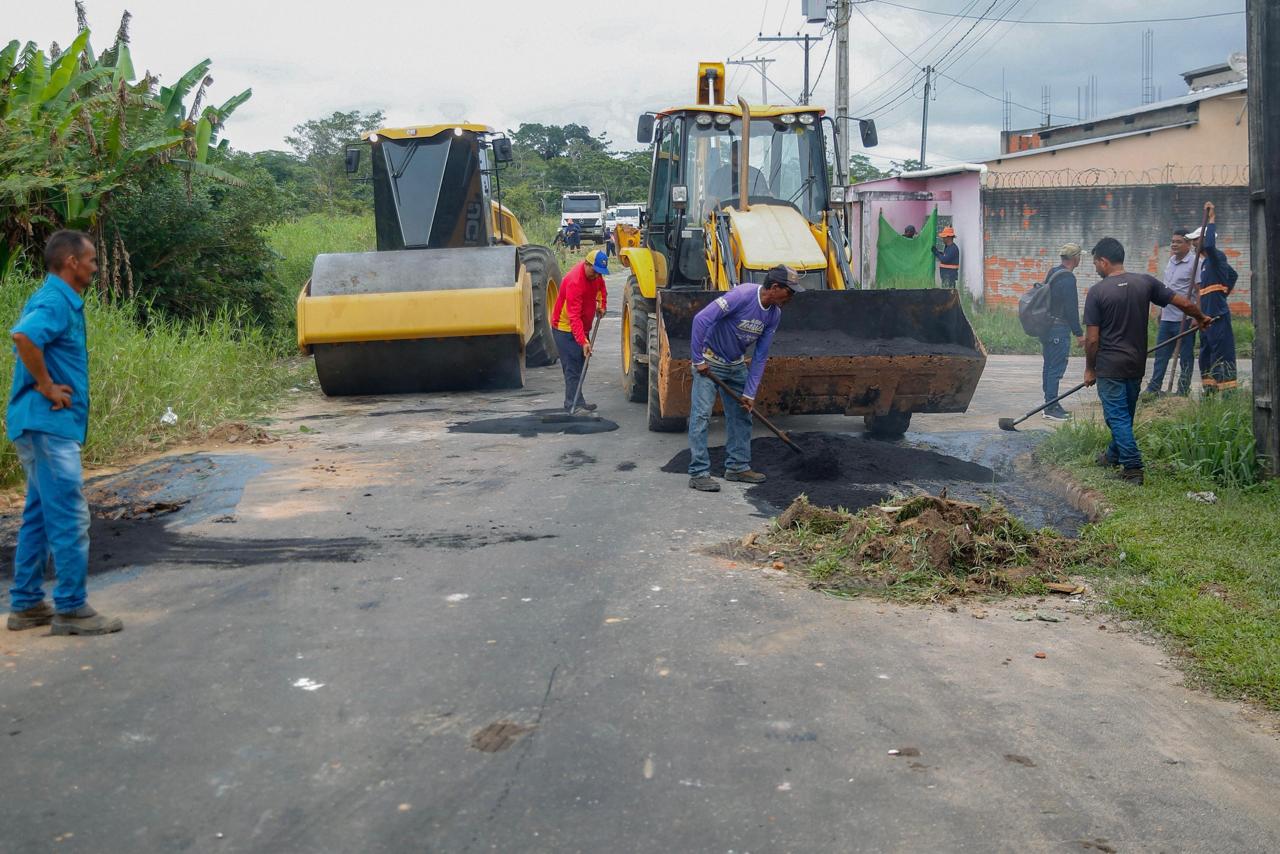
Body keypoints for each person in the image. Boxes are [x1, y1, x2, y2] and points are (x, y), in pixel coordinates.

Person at [7, 230, 122, 635]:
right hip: (47, 426)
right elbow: (24, 336)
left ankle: (26, 605)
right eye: (90, 259)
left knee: (39, 516)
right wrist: (45, 385)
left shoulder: (60, 300)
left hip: (42, 426)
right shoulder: (55, 299)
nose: (95, 265)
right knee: (70, 515)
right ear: (71, 262)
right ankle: (71, 609)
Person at [1082, 237, 1211, 485]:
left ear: (1104, 261)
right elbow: (1183, 302)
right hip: (1135, 364)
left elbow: (1092, 340)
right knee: (1125, 415)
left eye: (1096, 263)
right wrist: (1201, 317)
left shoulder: (1097, 292)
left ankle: (1133, 468)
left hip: (1110, 367)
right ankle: (1112, 455)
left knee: (1117, 418)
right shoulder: (1145, 282)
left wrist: (1090, 368)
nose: (1096, 268)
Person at [687, 265, 802, 492]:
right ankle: (699, 472)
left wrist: (750, 392)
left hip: (736, 365)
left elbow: (760, 356)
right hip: (710, 362)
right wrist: (697, 359)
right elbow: (701, 319)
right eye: (790, 291)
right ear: (775, 287)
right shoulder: (742, 295)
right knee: (701, 416)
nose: (792, 296)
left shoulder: (774, 314)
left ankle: (737, 467)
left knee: (742, 414)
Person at [1188, 202, 1238, 392]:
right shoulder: (1206, 264)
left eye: (1196, 240)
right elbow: (1232, 275)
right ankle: (1209, 392)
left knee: (1222, 355)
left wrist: (1211, 219)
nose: (1193, 244)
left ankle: (1228, 394)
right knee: (1206, 355)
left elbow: (1209, 244)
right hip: (1206, 317)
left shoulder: (1216, 256)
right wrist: (1223, 291)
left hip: (1217, 315)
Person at [550, 249, 609, 412]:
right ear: (587, 264)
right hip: (565, 328)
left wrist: (602, 305)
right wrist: (583, 341)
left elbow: (601, 289)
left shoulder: (596, 276)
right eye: (595, 271)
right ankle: (572, 404)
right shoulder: (575, 282)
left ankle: (579, 401)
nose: (597, 276)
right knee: (572, 367)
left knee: (582, 364)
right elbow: (573, 317)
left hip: (581, 327)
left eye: (600, 273)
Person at [1145, 228, 1198, 397]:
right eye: (1173, 241)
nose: (1174, 245)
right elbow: (1167, 290)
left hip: (1186, 318)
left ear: (1188, 244)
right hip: (1168, 317)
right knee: (1161, 355)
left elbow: (1200, 290)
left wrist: (1198, 315)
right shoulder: (1171, 261)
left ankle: (1182, 391)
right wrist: (1161, 311)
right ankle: (1154, 389)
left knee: (1185, 357)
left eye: (1178, 242)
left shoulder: (1195, 262)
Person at [1039, 243, 1085, 421]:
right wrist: (1079, 333)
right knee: (1055, 369)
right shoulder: (1068, 278)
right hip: (1059, 329)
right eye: (1080, 256)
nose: (1080, 259)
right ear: (1075, 258)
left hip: (1047, 327)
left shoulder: (1053, 272)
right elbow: (1071, 309)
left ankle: (1049, 403)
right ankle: (1051, 407)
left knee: (1049, 365)